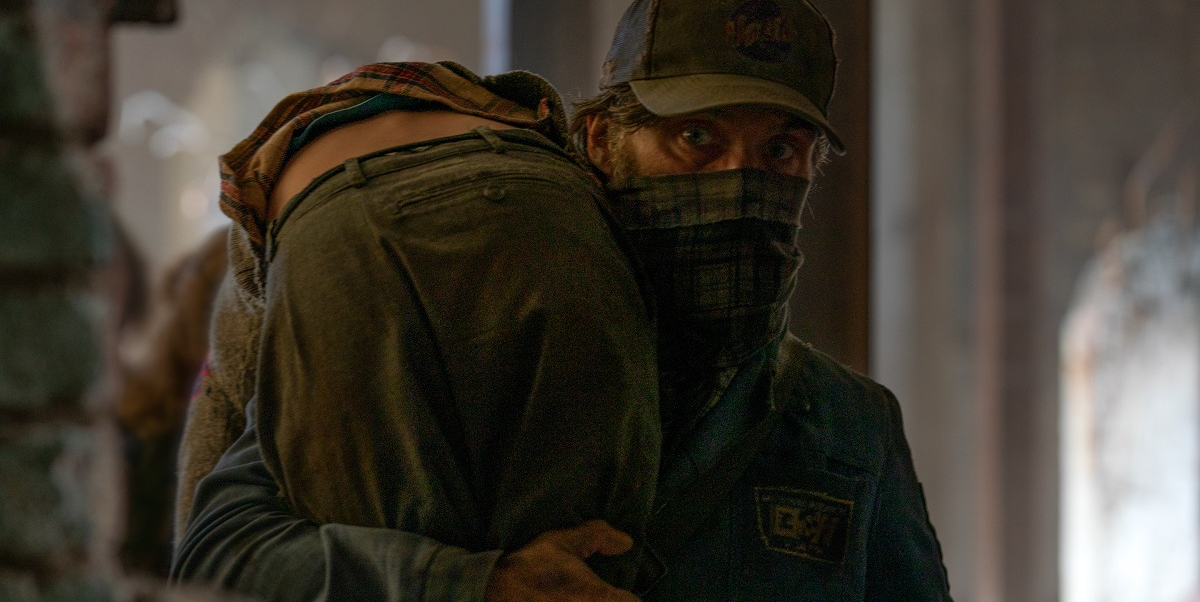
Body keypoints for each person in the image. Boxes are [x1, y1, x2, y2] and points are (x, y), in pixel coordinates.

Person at [173, 0, 952, 600]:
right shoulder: (467, 336)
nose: (740, 181)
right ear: (602, 143)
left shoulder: (849, 426)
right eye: (697, 138)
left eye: (780, 150)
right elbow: (224, 556)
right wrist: (473, 586)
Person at [171, 61, 660, 599]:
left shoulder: (258, 307)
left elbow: (213, 557)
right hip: (527, 193)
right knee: (580, 564)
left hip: (346, 216)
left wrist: (466, 584)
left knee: (564, 572)